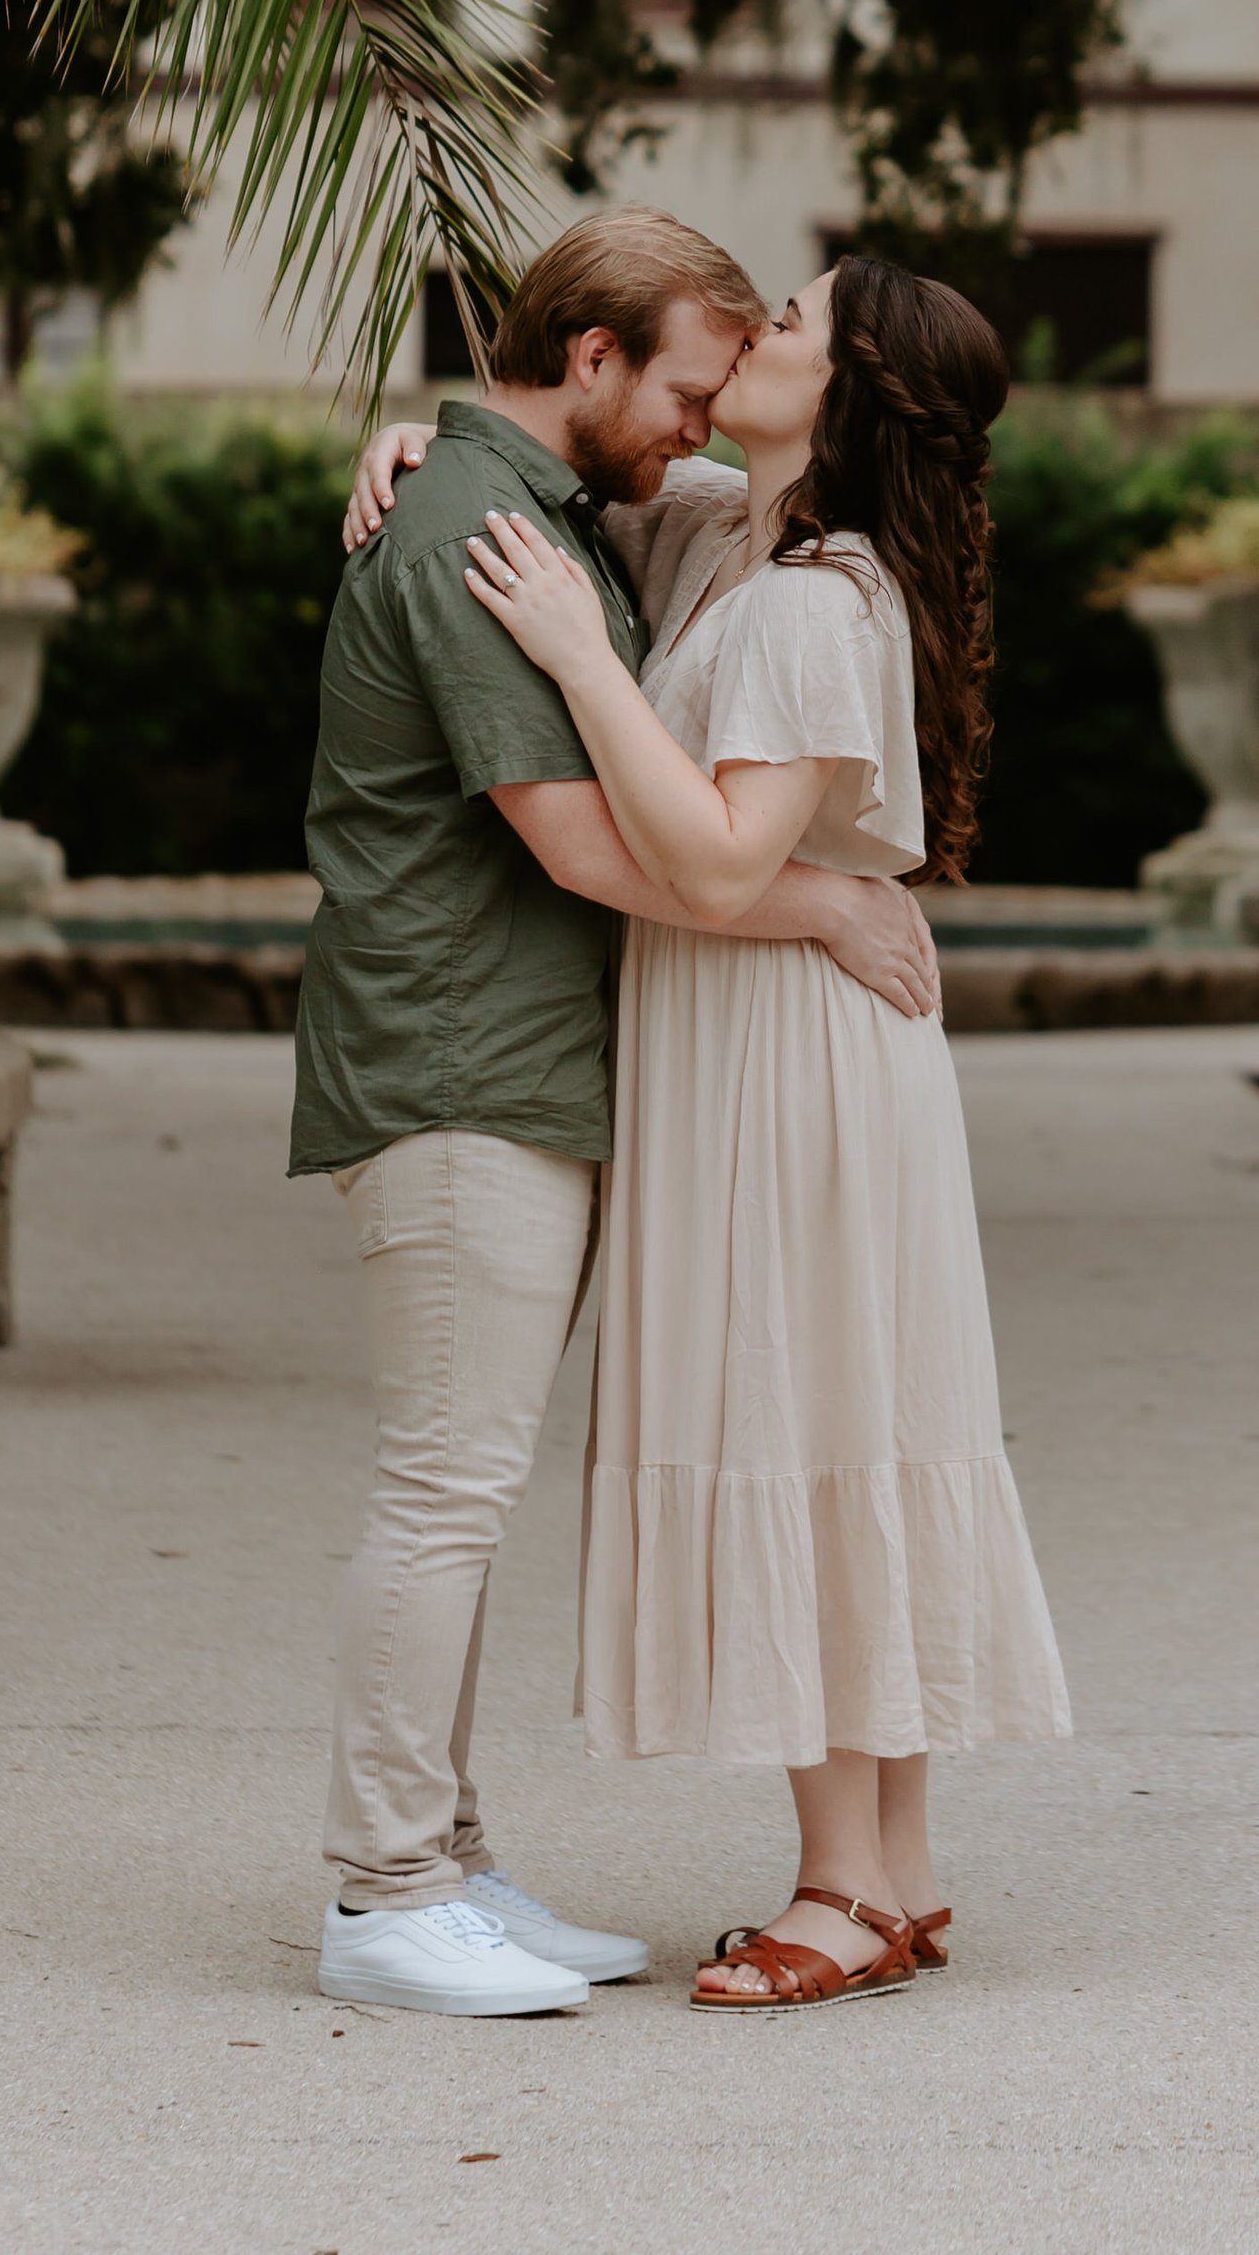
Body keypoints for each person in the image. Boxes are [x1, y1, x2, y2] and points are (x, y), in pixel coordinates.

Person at [295, 211, 944, 2022]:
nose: (709, 412)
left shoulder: (584, 517)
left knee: (466, 1482)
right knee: (444, 1484)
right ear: (589, 359)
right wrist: (822, 902)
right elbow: (585, 841)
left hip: (527, 1066)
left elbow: (809, 494)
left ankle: (447, 1864)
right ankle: (381, 1892)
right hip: (450, 1068)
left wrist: (422, 419)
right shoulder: (481, 530)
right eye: (682, 378)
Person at [456, 252, 1071, 2011]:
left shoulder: (814, 599)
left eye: (784, 325)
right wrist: (405, 451)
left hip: (781, 1056)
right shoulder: (746, 538)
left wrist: (581, 659)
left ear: (851, 390)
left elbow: (719, 860)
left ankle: (840, 1886)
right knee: (850, 1409)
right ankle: (902, 1871)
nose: (743, 340)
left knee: (802, 1412)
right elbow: (552, 454)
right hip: (790, 1036)